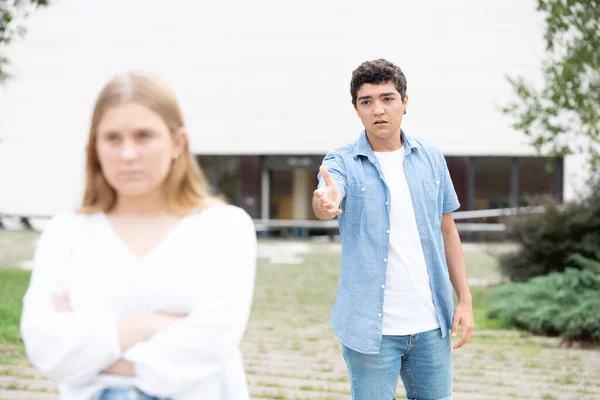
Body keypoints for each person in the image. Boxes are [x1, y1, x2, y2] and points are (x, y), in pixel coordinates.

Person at [20, 72, 257, 400]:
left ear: (177, 143)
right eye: (113, 138)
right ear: (95, 148)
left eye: (143, 136)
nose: (128, 154)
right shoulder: (65, 232)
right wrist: (151, 325)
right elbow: (45, 345)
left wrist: (89, 351)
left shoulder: (224, 228)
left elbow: (212, 340)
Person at [312, 59, 474, 400]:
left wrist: (466, 300)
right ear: (356, 109)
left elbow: (448, 231)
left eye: (387, 98)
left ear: (404, 101)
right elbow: (328, 194)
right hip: (371, 333)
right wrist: (326, 201)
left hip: (431, 325)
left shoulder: (430, 157)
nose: (378, 110)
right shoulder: (341, 162)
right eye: (366, 101)